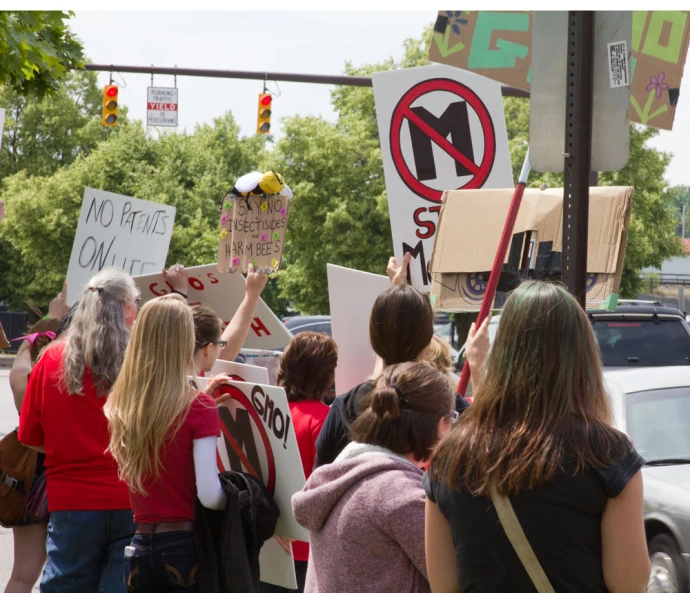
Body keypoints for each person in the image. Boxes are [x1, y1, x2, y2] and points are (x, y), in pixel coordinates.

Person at [425, 281, 650, 593]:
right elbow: (629, 583)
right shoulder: (608, 454)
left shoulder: (450, 455)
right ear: (582, 356)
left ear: (503, 351)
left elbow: (443, 585)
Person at [18, 268, 140, 593]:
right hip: (130, 498)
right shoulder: (138, 362)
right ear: (126, 307)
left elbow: (30, 437)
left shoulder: (50, 360)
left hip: (70, 501)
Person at [293, 361, 455, 593]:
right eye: (453, 418)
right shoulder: (399, 495)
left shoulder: (341, 474)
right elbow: (456, 580)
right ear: (440, 424)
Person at [105, 294, 225, 593]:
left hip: (139, 545)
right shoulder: (199, 406)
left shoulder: (124, 404)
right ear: (183, 341)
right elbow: (210, 495)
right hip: (184, 547)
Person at [315, 283, 469, 468]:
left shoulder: (343, 407)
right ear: (428, 341)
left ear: (373, 339)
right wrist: (477, 370)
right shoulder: (451, 409)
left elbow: (319, 484)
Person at [261, 332, 338, 593]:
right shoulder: (326, 420)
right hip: (311, 549)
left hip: (268, 543)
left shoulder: (265, 412)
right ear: (324, 373)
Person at [5, 317, 61, 593]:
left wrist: (32, 341)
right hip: (70, 480)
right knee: (72, 572)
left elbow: (18, 374)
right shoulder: (69, 380)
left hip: (30, 481)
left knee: (22, 576)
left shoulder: (25, 380)